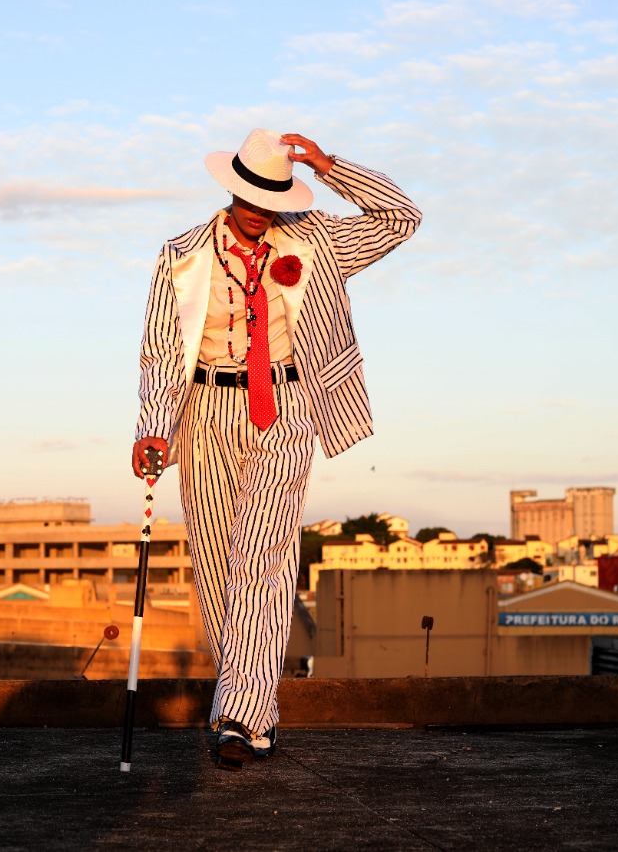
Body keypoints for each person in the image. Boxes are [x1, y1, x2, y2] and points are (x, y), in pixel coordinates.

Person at [131, 127, 421, 769]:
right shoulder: (178, 256)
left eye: (275, 196)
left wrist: (331, 166)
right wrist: (153, 427)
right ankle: (247, 705)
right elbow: (157, 355)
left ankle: (240, 716)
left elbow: (401, 219)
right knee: (216, 567)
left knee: (263, 557)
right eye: (253, 196)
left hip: (287, 405)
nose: (263, 210)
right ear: (230, 190)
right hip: (204, 410)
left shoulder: (314, 238)